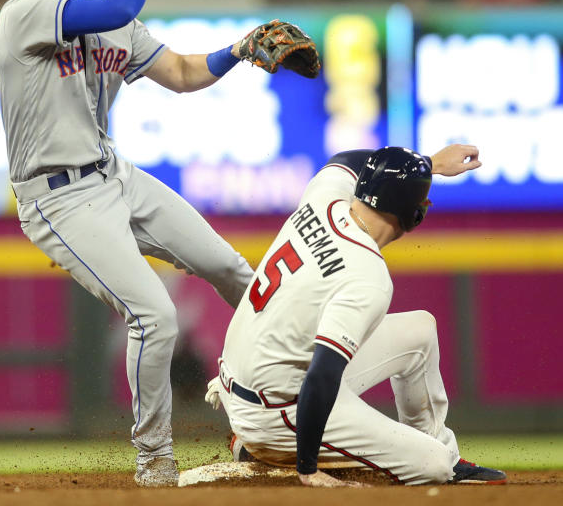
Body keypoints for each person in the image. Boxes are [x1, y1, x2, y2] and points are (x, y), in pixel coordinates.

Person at [0, 0, 292, 486]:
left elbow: (179, 72)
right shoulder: (25, 12)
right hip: (56, 198)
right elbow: (116, 8)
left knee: (231, 268)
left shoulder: (117, 29)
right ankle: (154, 458)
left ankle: (282, 398)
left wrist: (240, 49)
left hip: (114, 174)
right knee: (154, 317)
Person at [206, 144, 509, 486]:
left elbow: (343, 161)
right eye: (423, 200)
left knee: (419, 331)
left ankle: (446, 453)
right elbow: (323, 374)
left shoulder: (325, 198)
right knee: (431, 466)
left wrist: (429, 164)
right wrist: (308, 469)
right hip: (275, 411)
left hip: (246, 378)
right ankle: (266, 450)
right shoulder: (368, 276)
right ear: (414, 215)